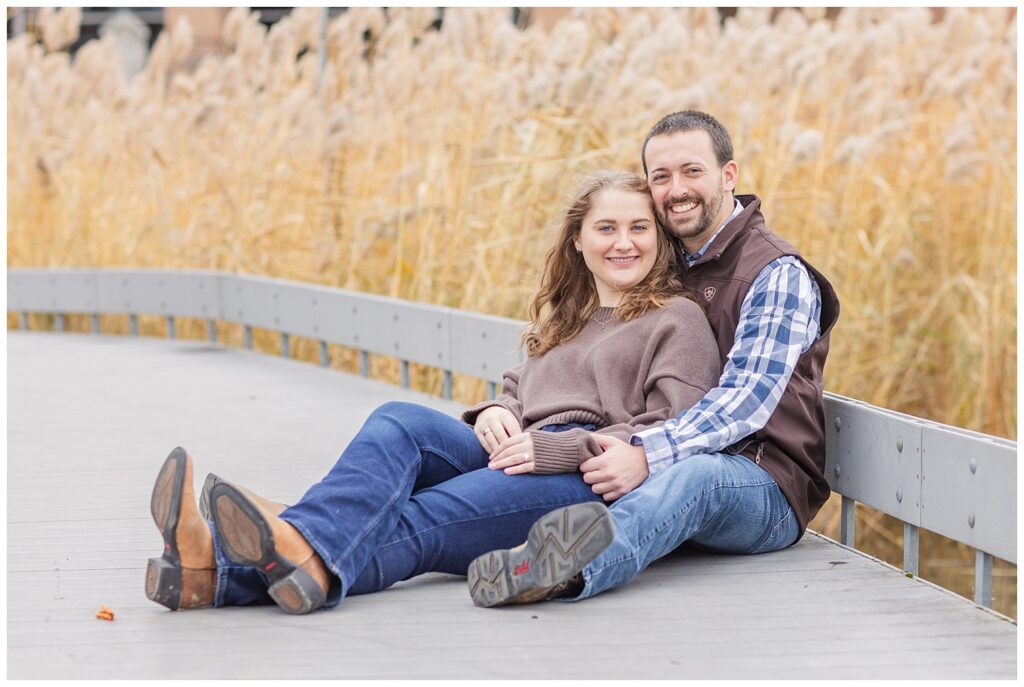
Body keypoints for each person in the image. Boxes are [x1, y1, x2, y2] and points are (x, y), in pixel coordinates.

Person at [144, 171, 722, 614]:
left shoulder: (677, 319)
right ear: (577, 240)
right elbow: (523, 388)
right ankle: (276, 545)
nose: (624, 243)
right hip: (515, 447)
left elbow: (672, 430)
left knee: (418, 520)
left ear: (659, 240)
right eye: (607, 228)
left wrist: (564, 450)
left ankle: (219, 568)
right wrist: (499, 409)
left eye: (639, 228)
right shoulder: (569, 316)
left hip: (581, 480)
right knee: (399, 421)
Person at [469, 110, 841, 608]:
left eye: (692, 170)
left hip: (763, 481)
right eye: (660, 176)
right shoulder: (664, 257)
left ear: (728, 176)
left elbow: (744, 402)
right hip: (667, 461)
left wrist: (645, 451)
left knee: (698, 478)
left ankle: (565, 569)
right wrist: (511, 410)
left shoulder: (776, 273)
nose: (676, 188)